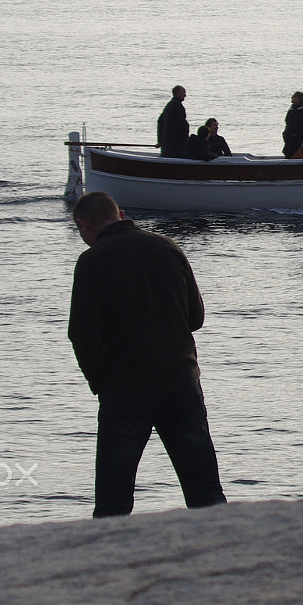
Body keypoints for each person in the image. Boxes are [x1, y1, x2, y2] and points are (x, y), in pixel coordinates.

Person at [66, 191, 226, 518]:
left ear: (84, 226)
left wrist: (101, 384)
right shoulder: (167, 247)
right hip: (180, 383)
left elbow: (82, 336)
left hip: (125, 391)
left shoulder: (92, 261)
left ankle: (113, 563)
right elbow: (195, 317)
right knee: (205, 491)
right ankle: (222, 556)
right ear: (121, 214)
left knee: (114, 500)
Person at [157, 85, 189, 158]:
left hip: (166, 147)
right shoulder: (177, 106)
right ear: (178, 93)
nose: (185, 95)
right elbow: (181, 125)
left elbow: (160, 121)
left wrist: (160, 140)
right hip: (175, 148)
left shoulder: (169, 105)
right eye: (183, 93)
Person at [283, 91, 303, 158]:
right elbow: (287, 121)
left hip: (296, 137)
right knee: (288, 152)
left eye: (294, 96)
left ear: (299, 99)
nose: (292, 98)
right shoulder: (292, 109)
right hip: (289, 136)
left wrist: (295, 133)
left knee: (292, 152)